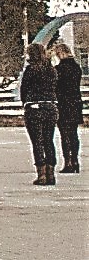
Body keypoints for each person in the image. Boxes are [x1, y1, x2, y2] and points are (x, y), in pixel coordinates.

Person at [20, 42, 59, 187]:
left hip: (34, 107)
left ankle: (41, 174)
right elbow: (55, 86)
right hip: (50, 106)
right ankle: (51, 173)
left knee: (37, 141)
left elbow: (24, 89)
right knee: (49, 140)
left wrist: (25, 103)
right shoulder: (51, 70)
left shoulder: (30, 70)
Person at [52, 43, 82, 174]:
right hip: (75, 102)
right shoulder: (76, 68)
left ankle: (68, 162)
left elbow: (56, 87)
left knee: (65, 134)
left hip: (63, 104)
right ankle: (75, 160)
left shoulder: (58, 69)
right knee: (74, 134)